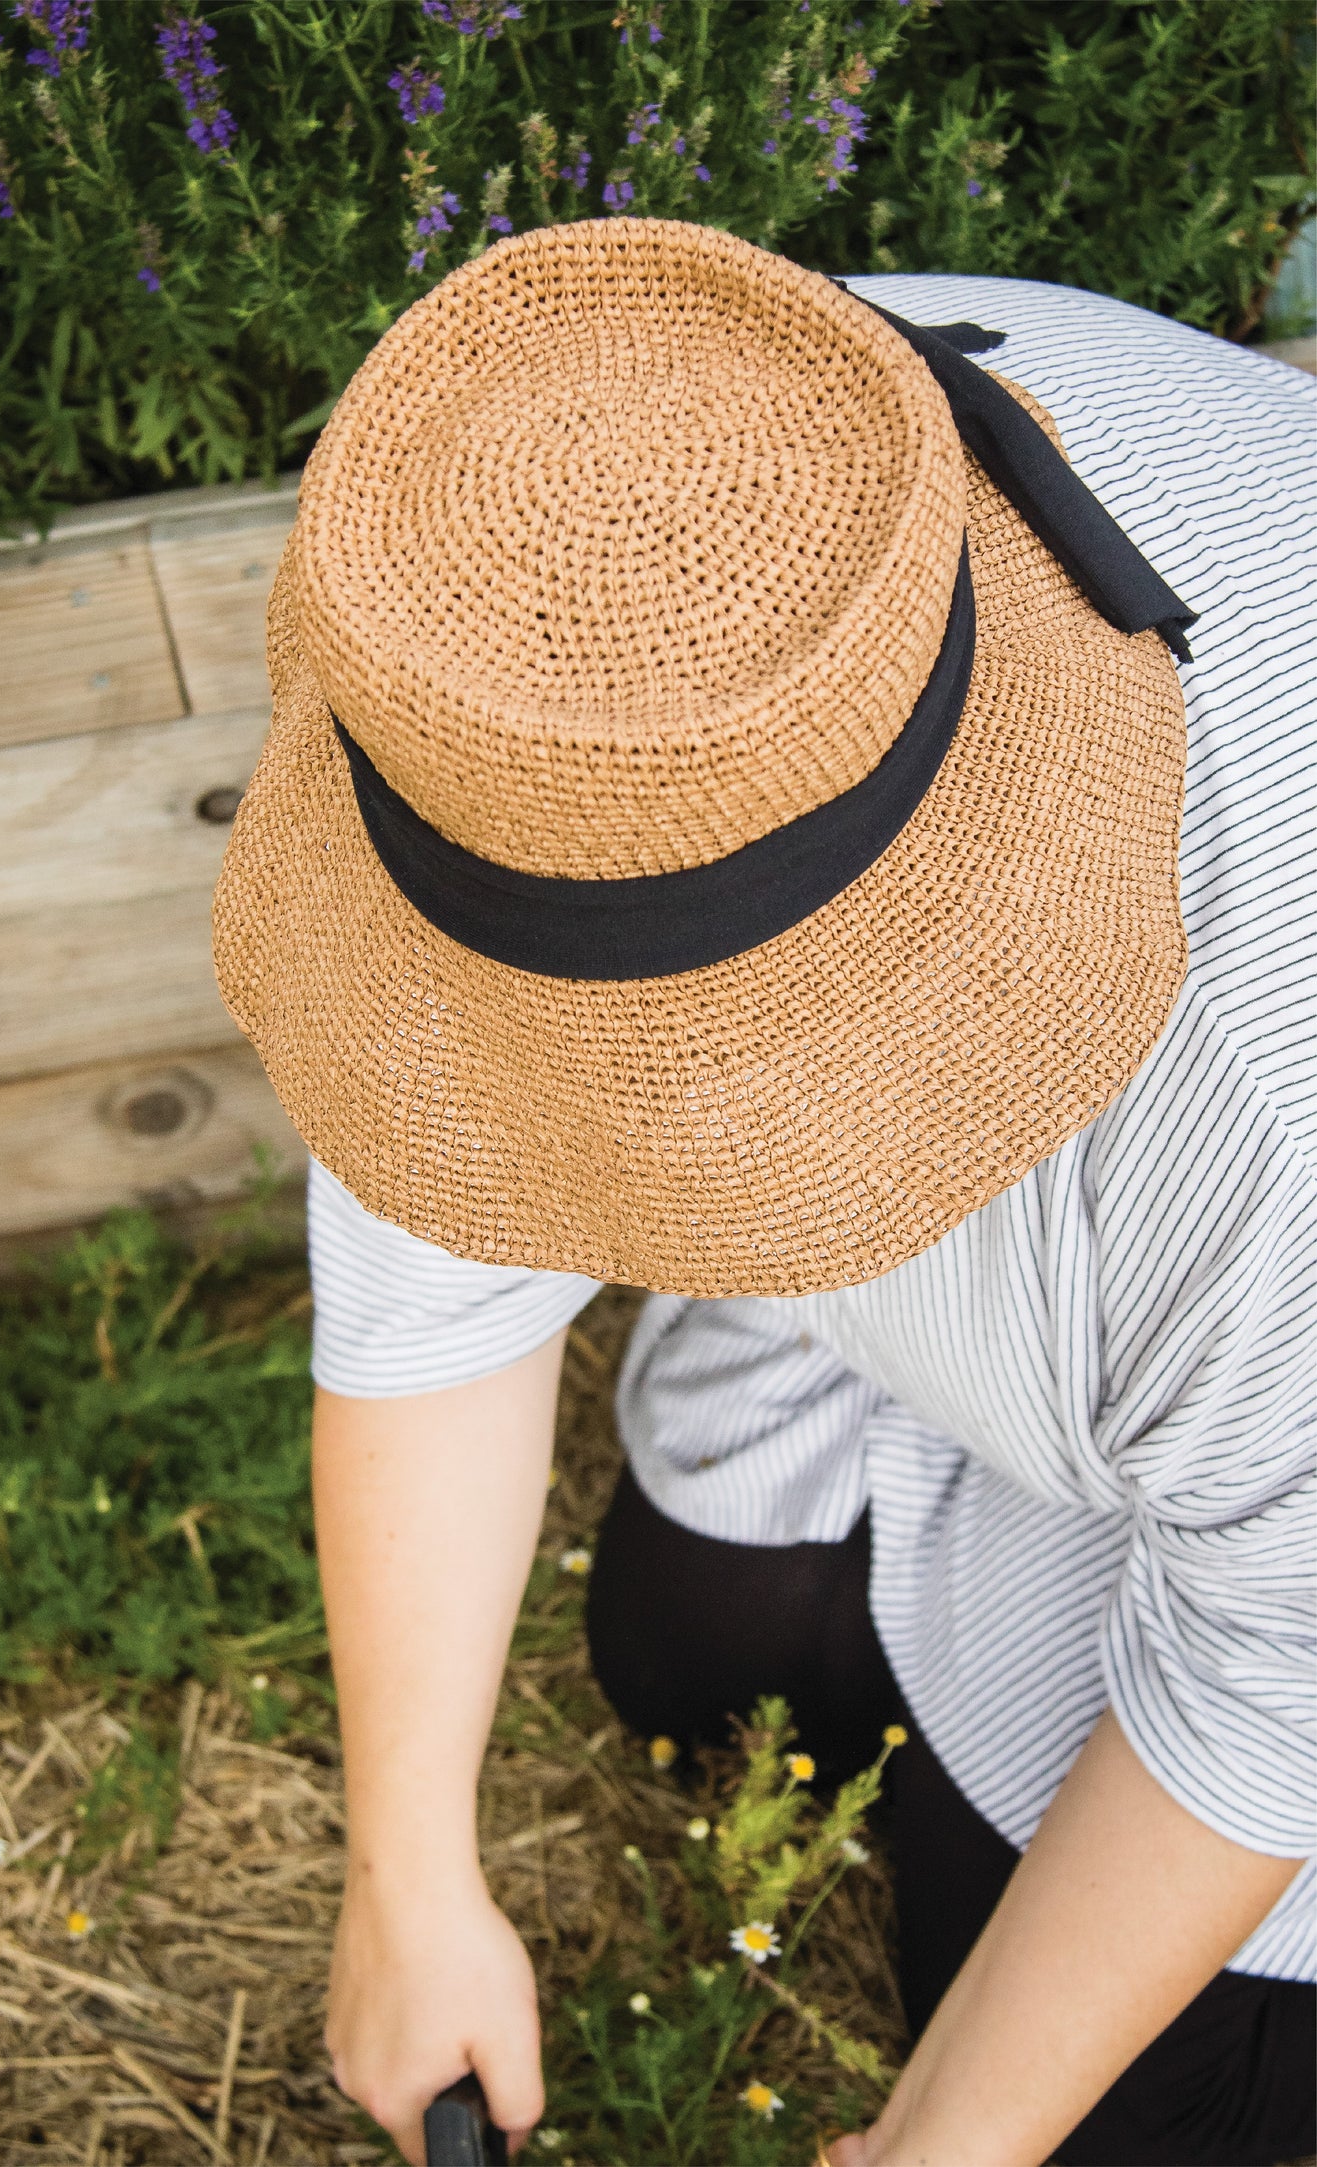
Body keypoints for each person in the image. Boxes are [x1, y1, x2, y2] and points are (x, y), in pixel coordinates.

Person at [212, 220, 1315, 2166]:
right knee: (680, 1661)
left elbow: (1272, 1683)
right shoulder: (573, 619)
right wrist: (407, 1876)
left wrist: (937, 2148)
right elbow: (429, 1283)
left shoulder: (1263, 1079)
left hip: (1270, 1453)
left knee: (1133, 2102)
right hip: (1054, 1334)